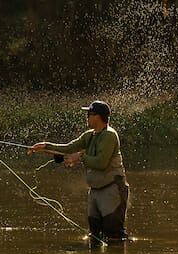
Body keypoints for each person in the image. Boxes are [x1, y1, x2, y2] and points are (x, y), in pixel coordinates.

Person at [29, 100, 129, 241]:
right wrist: (45, 146)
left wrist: (81, 157)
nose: (86, 117)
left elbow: (101, 163)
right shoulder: (89, 135)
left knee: (114, 237)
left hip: (112, 190)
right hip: (95, 191)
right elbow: (69, 148)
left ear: (98, 116)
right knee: (95, 237)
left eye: (89, 114)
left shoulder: (109, 135)